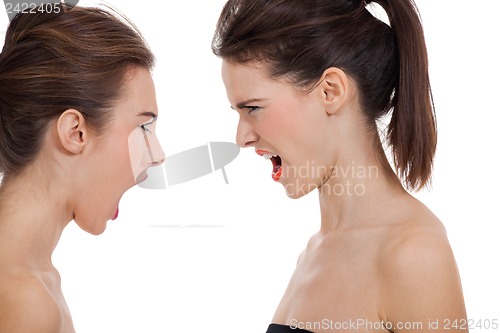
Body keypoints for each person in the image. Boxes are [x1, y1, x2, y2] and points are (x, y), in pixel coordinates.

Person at [212, 0, 467, 332]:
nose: (241, 137)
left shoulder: (415, 255)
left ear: (330, 91)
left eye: (254, 108)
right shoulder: (312, 252)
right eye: (238, 112)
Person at [0, 3, 164, 332]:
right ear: (75, 132)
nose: (158, 155)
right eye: (144, 128)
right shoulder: (23, 300)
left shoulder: (40, 281)